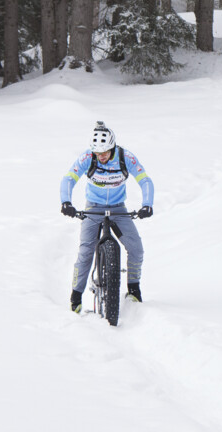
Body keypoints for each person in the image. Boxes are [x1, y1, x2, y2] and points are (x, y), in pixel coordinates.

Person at [60, 121, 155, 313]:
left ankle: (134, 291)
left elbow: (145, 180)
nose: (101, 157)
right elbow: (69, 179)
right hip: (93, 209)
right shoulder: (88, 157)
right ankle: (75, 298)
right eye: (97, 154)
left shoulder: (125, 157)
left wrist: (147, 204)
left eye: (104, 153)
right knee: (86, 252)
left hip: (118, 209)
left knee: (137, 249)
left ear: (112, 147)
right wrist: (66, 202)